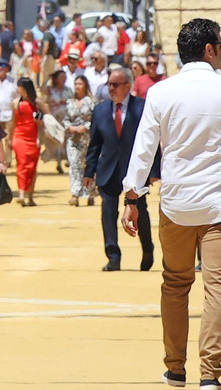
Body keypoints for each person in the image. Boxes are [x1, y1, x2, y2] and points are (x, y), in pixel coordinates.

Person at [122, 18, 221, 390]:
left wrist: (132, 196)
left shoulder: (160, 92)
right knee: (217, 287)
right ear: (209, 49)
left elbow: (144, 149)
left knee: (175, 283)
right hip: (220, 204)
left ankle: (175, 368)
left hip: (176, 205)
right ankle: (210, 372)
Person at [86, 65, 158, 271]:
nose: (111, 88)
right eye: (109, 84)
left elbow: (152, 141)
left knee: (140, 212)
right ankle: (113, 256)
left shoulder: (142, 108)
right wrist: (88, 171)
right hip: (108, 170)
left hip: (135, 171)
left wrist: (153, 172)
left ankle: (147, 249)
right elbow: (95, 144)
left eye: (115, 85)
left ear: (128, 86)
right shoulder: (100, 110)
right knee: (108, 212)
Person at [63, 74, 97, 206]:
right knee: (74, 166)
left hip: (88, 138)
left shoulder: (92, 102)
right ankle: (75, 194)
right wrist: (70, 127)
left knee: (88, 165)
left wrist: (86, 127)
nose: (77, 87)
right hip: (73, 139)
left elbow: (96, 119)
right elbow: (64, 118)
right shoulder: (69, 103)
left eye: (80, 84)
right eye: (76, 84)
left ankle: (90, 193)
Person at [11, 77, 42, 206]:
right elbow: (12, 122)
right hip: (19, 136)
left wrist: (40, 121)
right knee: (22, 164)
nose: (18, 89)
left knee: (32, 167)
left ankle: (30, 195)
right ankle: (22, 193)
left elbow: (47, 117)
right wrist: (9, 138)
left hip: (34, 137)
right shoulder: (15, 103)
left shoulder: (37, 103)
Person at [42, 68, 71, 173]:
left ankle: (66, 160)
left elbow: (72, 101)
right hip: (54, 118)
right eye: (61, 77)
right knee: (59, 140)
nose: (64, 79)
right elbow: (42, 89)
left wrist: (66, 102)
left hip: (66, 117)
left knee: (66, 140)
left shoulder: (68, 90)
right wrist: (47, 78)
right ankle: (59, 162)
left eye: (64, 77)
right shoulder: (51, 89)